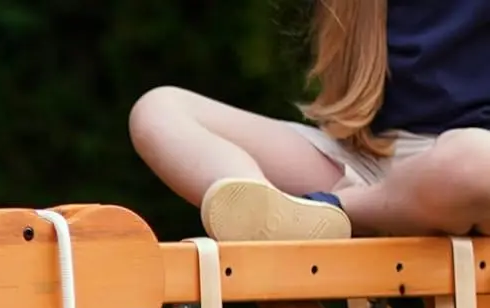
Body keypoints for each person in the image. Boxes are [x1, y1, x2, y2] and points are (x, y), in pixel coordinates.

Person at [128, 2, 490, 241]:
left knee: (472, 160)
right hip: (374, 157)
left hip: (466, 171)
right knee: (159, 109)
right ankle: (264, 208)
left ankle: (332, 212)